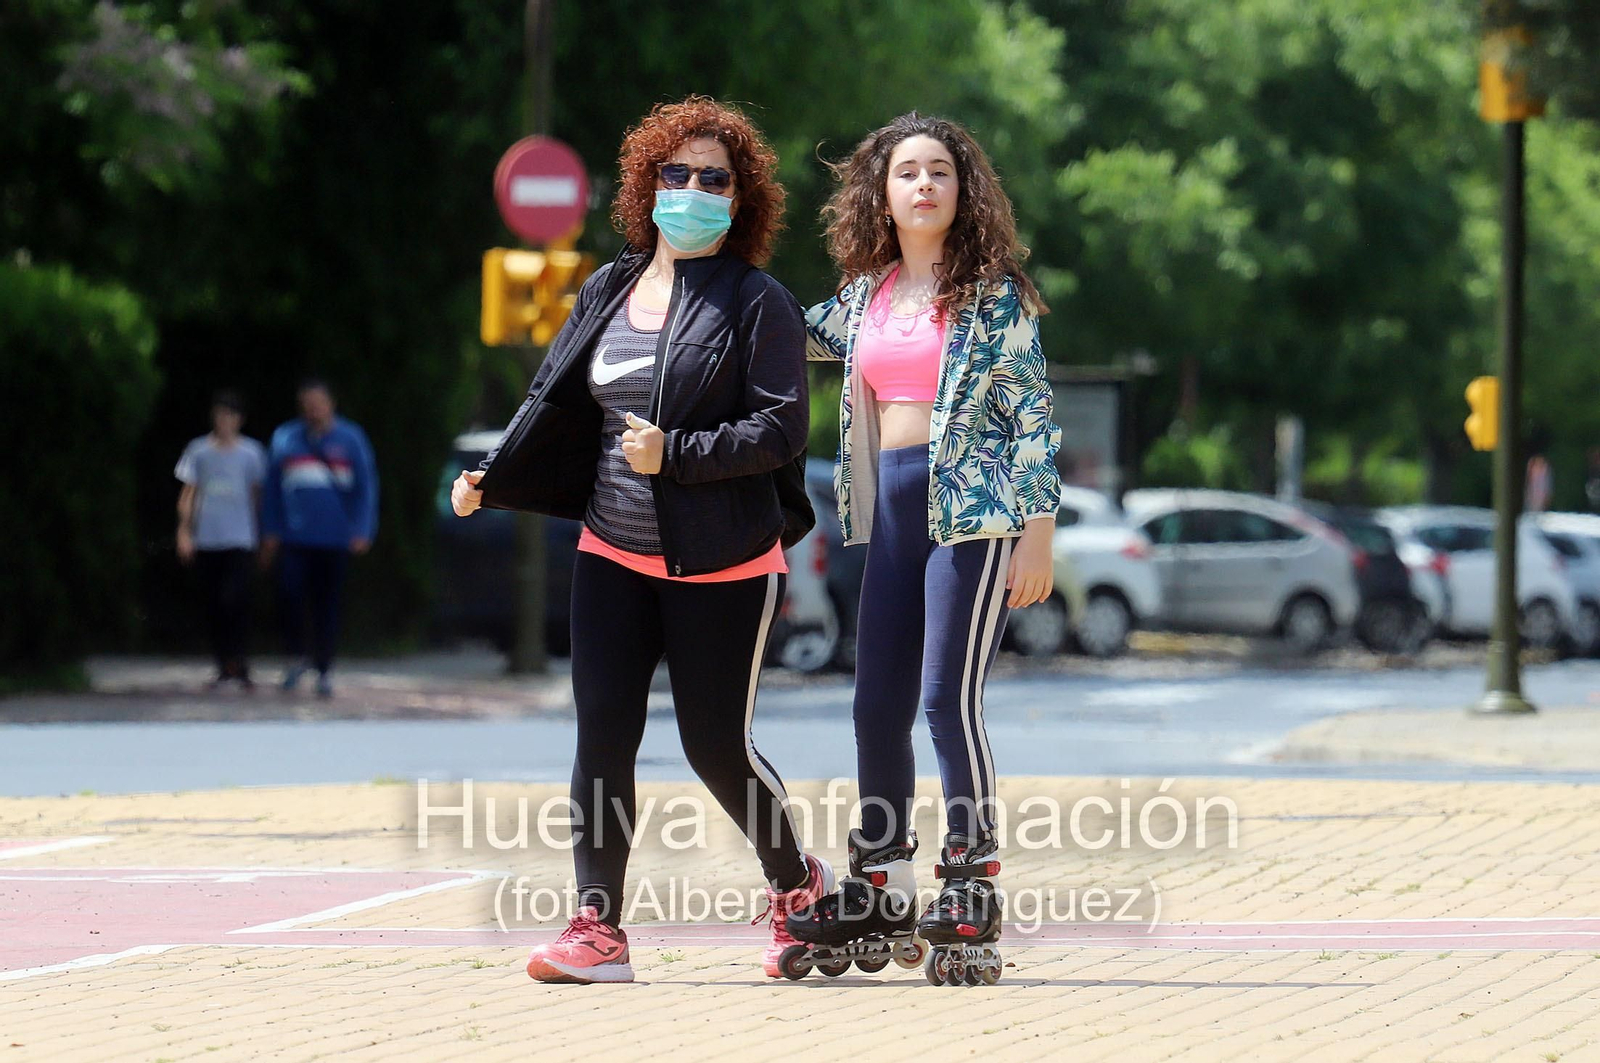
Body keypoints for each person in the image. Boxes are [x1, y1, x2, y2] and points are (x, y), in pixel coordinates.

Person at [452, 96, 830, 985]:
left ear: (740, 201)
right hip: (610, 548)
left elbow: (781, 431)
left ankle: (798, 884)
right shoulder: (609, 286)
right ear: (647, 183)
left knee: (712, 744)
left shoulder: (757, 302)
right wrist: (493, 474)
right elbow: (554, 397)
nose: (692, 190)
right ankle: (598, 925)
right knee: (602, 735)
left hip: (723, 558)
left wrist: (678, 454)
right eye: (676, 173)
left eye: (714, 179)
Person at [793, 113, 1062, 985]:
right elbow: (781, 332)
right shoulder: (862, 296)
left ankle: (972, 872)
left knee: (946, 700)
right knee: (876, 700)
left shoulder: (995, 296)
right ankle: (881, 870)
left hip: (974, 515)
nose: (922, 185)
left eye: (939, 171)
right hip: (888, 511)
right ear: (881, 192)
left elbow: (1033, 416)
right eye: (905, 172)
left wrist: (1037, 529)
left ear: (962, 189)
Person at [260, 378, 378, 698]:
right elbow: (272, 489)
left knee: (327, 605)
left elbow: (366, 488)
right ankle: (296, 658)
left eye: (318, 403)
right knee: (289, 597)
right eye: (307, 404)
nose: (313, 410)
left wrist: (362, 530)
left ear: (331, 403)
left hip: (335, 539)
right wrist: (270, 529)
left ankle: (324, 668)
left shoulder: (351, 438)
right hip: (294, 538)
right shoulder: (285, 438)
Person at [174, 391, 267, 689]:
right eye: (220, 415)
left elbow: (257, 496)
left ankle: (238, 661)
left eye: (231, 415)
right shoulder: (198, 450)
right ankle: (223, 664)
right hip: (208, 538)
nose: (225, 421)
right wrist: (184, 532)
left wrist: (263, 535)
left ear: (240, 420)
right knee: (213, 603)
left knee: (235, 599)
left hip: (240, 537)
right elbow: (189, 493)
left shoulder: (252, 453)